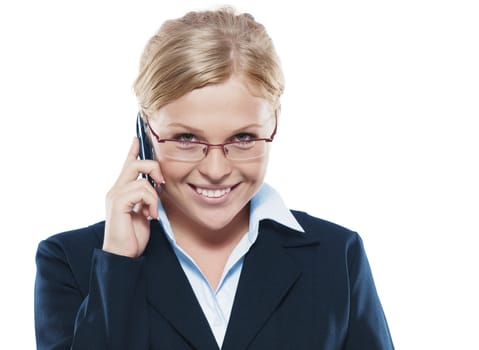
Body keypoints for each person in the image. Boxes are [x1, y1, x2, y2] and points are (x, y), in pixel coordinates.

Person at [34, 6, 394, 350]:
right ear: (145, 131)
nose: (216, 170)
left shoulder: (336, 256)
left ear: (274, 126)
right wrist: (118, 267)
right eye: (186, 138)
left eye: (243, 138)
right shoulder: (72, 261)